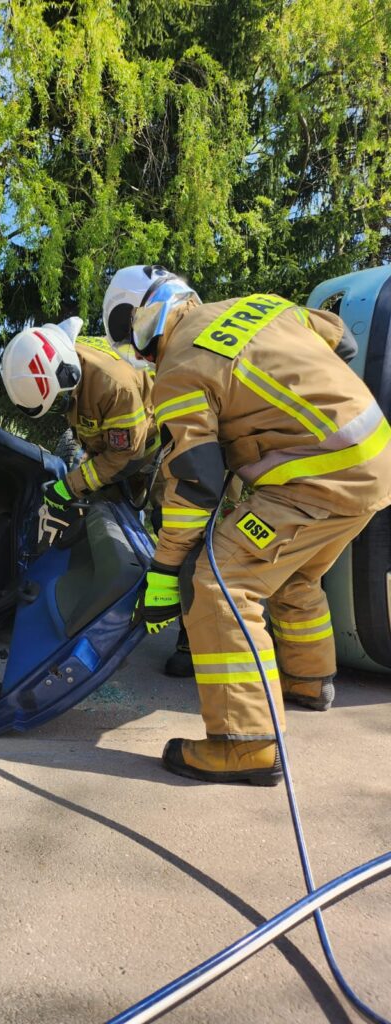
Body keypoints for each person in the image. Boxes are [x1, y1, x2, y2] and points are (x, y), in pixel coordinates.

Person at [126, 266, 390, 786]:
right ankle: (310, 681)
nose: (140, 357)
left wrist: (164, 569)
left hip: (315, 479)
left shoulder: (179, 363)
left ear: (144, 318)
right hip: (375, 461)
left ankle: (243, 745)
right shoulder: (261, 305)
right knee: (294, 577)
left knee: (221, 582)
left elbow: (196, 482)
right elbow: (345, 341)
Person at [0, 311, 159, 531]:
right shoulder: (64, 358)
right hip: (117, 446)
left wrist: (68, 488)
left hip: (151, 450)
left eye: (58, 401)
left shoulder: (116, 388)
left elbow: (125, 454)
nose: (61, 409)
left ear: (69, 373)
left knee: (136, 523)